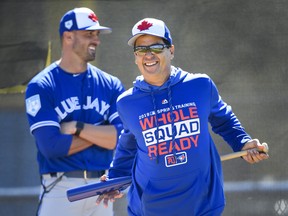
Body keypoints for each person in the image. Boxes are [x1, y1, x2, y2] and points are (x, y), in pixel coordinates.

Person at [96, 18, 269, 216]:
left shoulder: (200, 85)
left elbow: (223, 119)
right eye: (142, 50)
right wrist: (115, 178)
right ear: (135, 57)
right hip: (149, 208)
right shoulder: (126, 103)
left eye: (156, 47)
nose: (149, 55)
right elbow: (128, 145)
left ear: (171, 51)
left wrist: (242, 142)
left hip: (202, 206)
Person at [25, 7, 125, 216]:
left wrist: (77, 128)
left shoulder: (110, 84)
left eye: (97, 34)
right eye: (89, 34)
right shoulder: (42, 86)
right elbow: (51, 147)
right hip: (61, 187)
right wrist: (101, 134)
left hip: (102, 188)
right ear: (68, 37)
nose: (96, 40)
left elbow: (122, 138)